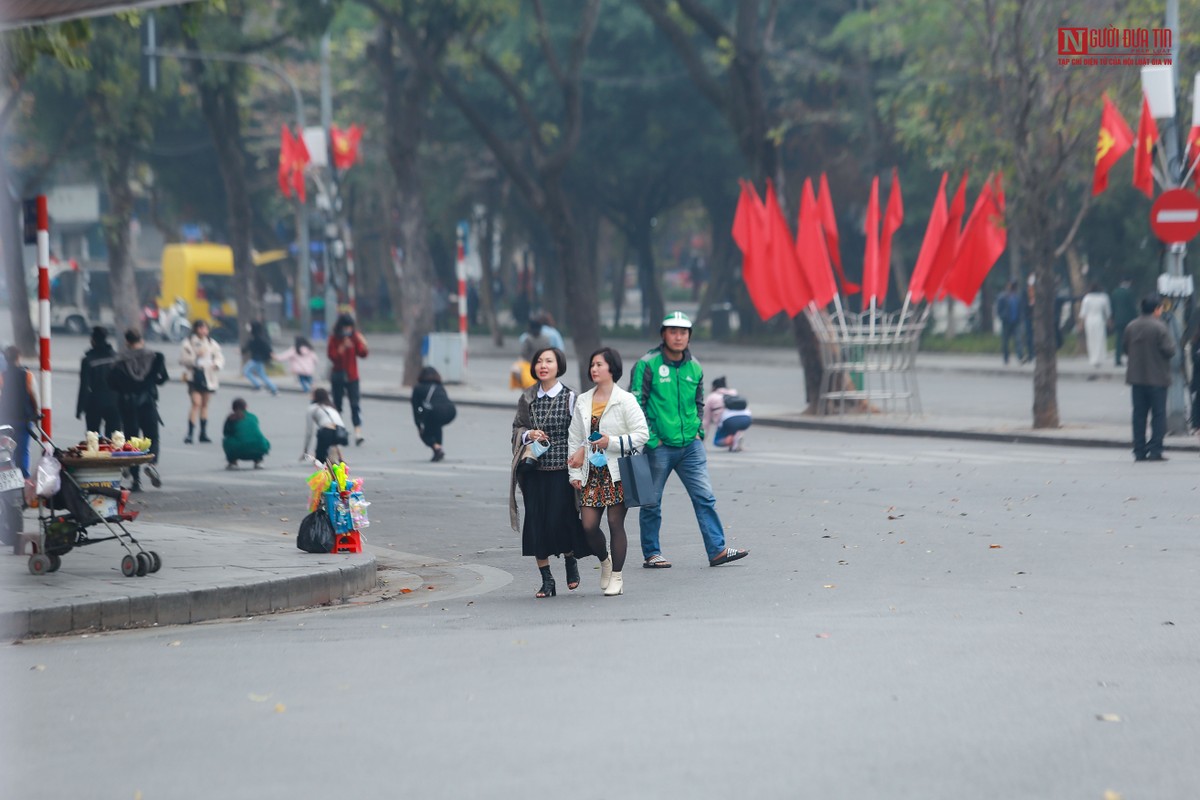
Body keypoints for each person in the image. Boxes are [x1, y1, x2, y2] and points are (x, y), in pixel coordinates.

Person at [630, 312, 749, 569]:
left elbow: (699, 402)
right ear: (663, 334)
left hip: (690, 446)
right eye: (673, 331)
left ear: (689, 336)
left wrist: (699, 432)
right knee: (652, 502)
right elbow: (635, 403)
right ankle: (652, 553)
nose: (678, 336)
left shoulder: (694, 365)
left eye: (683, 332)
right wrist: (652, 440)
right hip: (659, 446)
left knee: (705, 497)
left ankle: (717, 550)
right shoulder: (647, 364)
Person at [509, 347, 590, 599]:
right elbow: (516, 428)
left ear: (558, 366)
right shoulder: (527, 397)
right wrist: (528, 434)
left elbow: (581, 433)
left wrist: (578, 465)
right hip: (533, 472)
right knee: (536, 525)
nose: (543, 365)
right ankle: (547, 580)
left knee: (563, 520)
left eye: (549, 361)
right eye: (539, 361)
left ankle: (570, 560)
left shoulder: (570, 397)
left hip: (562, 471)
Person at [567, 347, 648, 597]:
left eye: (599, 364)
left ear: (612, 368)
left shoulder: (625, 400)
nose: (594, 369)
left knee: (615, 522)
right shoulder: (583, 400)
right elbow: (575, 438)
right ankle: (605, 560)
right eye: (592, 364)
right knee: (588, 525)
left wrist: (610, 441)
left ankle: (617, 576)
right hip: (592, 472)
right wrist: (575, 474)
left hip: (617, 472)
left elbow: (642, 434)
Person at [109, 329, 169, 491]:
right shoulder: (155, 357)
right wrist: (151, 381)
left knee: (132, 442)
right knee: (152, 436)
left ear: (127, 342)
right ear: (141, 340)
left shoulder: (119, 361)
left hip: (128, 405)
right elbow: (163, 378)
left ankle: (136, 481)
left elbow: (112, 383)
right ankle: (151, 463)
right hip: (147, 402)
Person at [1123, 294, 1175, 462]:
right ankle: (1155, 450)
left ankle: (1139, 450)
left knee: (1139, 415)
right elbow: (1170, 351)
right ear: (1156, 309)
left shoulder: (1131, 326)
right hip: (1157, 379)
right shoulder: (1160, 327)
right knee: (1158, 415)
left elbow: (1125, 348)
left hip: (1136, 379)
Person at [179, 319, 224, 444]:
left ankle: (203, 433)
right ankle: (190, 433)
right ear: (196, 329)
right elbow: (183, 359)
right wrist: (196, 357)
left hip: (209, 376)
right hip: (194, 376)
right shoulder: (188, 343)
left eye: (205, 328)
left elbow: (219, 356)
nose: (203, 331)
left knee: (205, 404)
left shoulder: (211, 343)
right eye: (201, 328)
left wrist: (216, 364)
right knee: (196, 403)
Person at [327, 313, 368, 446]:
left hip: (352, 376)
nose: (348, 330)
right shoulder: (334, 339)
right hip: (338, 376)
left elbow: (362, 354)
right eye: (346, 327)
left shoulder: (354, 337)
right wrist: (342, 347)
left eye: (350, 327)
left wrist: (363, 343)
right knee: (337, 405)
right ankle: (338, 431)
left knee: (355, 405)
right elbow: (332, 356)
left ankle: (358, 432)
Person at [0, 346, 38, 476]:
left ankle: (8, 476)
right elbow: (33, 396)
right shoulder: (27, 375)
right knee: (22, 451)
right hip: (24, 420)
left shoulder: (2, 377)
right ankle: (23, 477)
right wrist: (36, 413)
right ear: (19, 358)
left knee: (6, 451)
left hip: (6, 420)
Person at [77, 326, 121, 437]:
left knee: (93, 438)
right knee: (114, 438)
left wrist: (79, 408)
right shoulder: (116, 357)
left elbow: (84, 386)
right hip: (115, 402)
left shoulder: (88, 360)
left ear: (93, 340)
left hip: (95, 402)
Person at [411, 366, 457, 462]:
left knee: (425, 433)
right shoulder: (439, 386)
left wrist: (419, 423)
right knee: (436, 426)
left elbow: (417, 408)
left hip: (435, 412)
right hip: (451, 411)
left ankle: (436, 448)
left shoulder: (418, 388)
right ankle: (438, 449)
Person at [702, 376, 752, 452]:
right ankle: (736, 441)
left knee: (717, 441)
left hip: (728, 420)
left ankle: (733, 440)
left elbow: (706, 421)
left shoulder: (711, 397)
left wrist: (702, 441)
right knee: (736, 429)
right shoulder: (734, 393)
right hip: (747, 418)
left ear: (714, 387)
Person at [303, 387, 350, 465]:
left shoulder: (312, 408)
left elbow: (309, 432)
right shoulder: (331, 407)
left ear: (315, 396)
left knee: (320, 460)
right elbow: (336, 430)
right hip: (341, 433)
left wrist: (305, 450)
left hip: (327, 432)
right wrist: (341, 457)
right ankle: (333, 458)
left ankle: (327, 459)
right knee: (330, 442)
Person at [222, 397, 270, 469]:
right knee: (260, 439)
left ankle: (233, 462)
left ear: (233, 408)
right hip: (259, 448)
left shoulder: (231, 418)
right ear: (246, 407)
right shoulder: (253, 416)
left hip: (238, 450)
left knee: (226, 440)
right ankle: (258, 460)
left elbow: (226, 433)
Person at [1078, 282, 1112, 371]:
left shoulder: (1087, 298)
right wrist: (1109, 322)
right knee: (1100, 339)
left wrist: (1081, 324)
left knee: (1091, 339)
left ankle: (1093, 358)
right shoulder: (1104, 297)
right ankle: (1100, 357)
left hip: (1089, 320)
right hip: (1099, 319)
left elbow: (1083, 313)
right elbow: (1107, 312)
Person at [241, 322, 278, 395]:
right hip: (259, 359)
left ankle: (258, 386)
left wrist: (271, 353)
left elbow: (265, 347)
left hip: (256, 359)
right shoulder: (258, 337)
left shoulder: (255, 338)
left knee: (246, 371)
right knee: (262, 375)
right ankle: (273, 388)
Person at [995, 281, 1025, 365]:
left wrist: (1020, 318)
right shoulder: (1003, 297)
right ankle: (1006, 358)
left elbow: (1020, 309)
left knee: (1018, 340)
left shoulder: (1017, 297)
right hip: (1006, 322)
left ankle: (1020, 356)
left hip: (1016, 322)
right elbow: (998, 309)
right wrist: (1002, 317)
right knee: (1005, 341)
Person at [1111, 277, 1137, 367]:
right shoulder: (1129, 293)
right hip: (1128, 320)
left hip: (1118, 320)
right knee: (1129, 340)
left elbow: (1112, 308)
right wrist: (1136, 318)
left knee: (1119, 340)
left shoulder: (1114, 293)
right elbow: (1132, 307)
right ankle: (1130, 358)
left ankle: (1117, 359)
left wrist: (1113, 318)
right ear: (1127, 282)